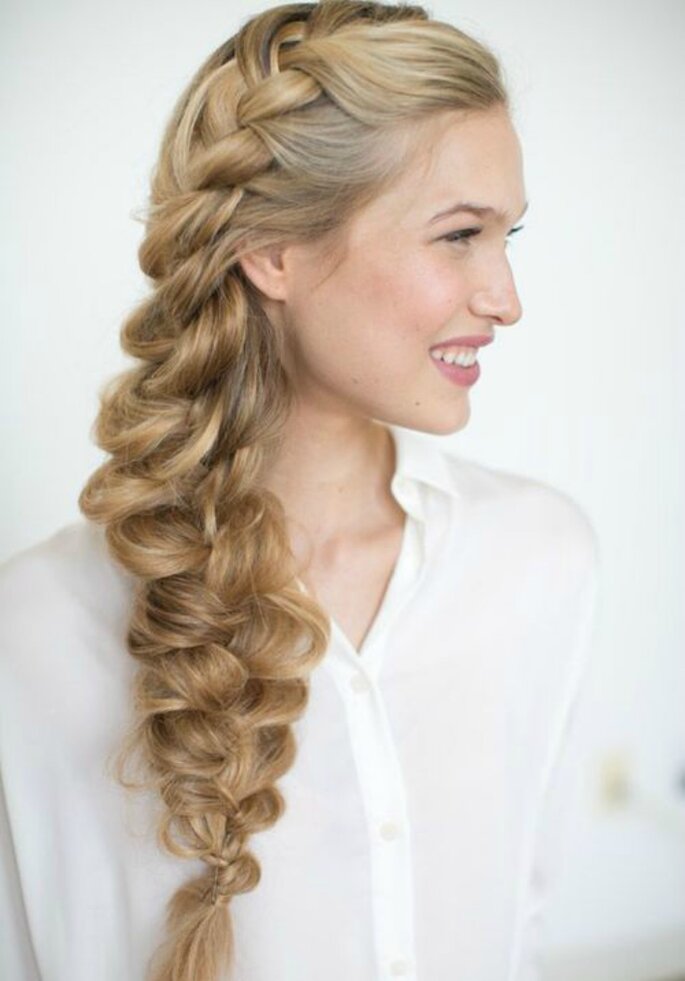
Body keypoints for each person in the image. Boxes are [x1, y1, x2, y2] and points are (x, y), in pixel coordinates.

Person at [0, 2, 601, 979]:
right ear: (273, 251)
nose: (505, 298)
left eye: (508, 237)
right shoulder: (36, 632)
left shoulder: (538, 561)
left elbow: (518, 929)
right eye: (456, 236)